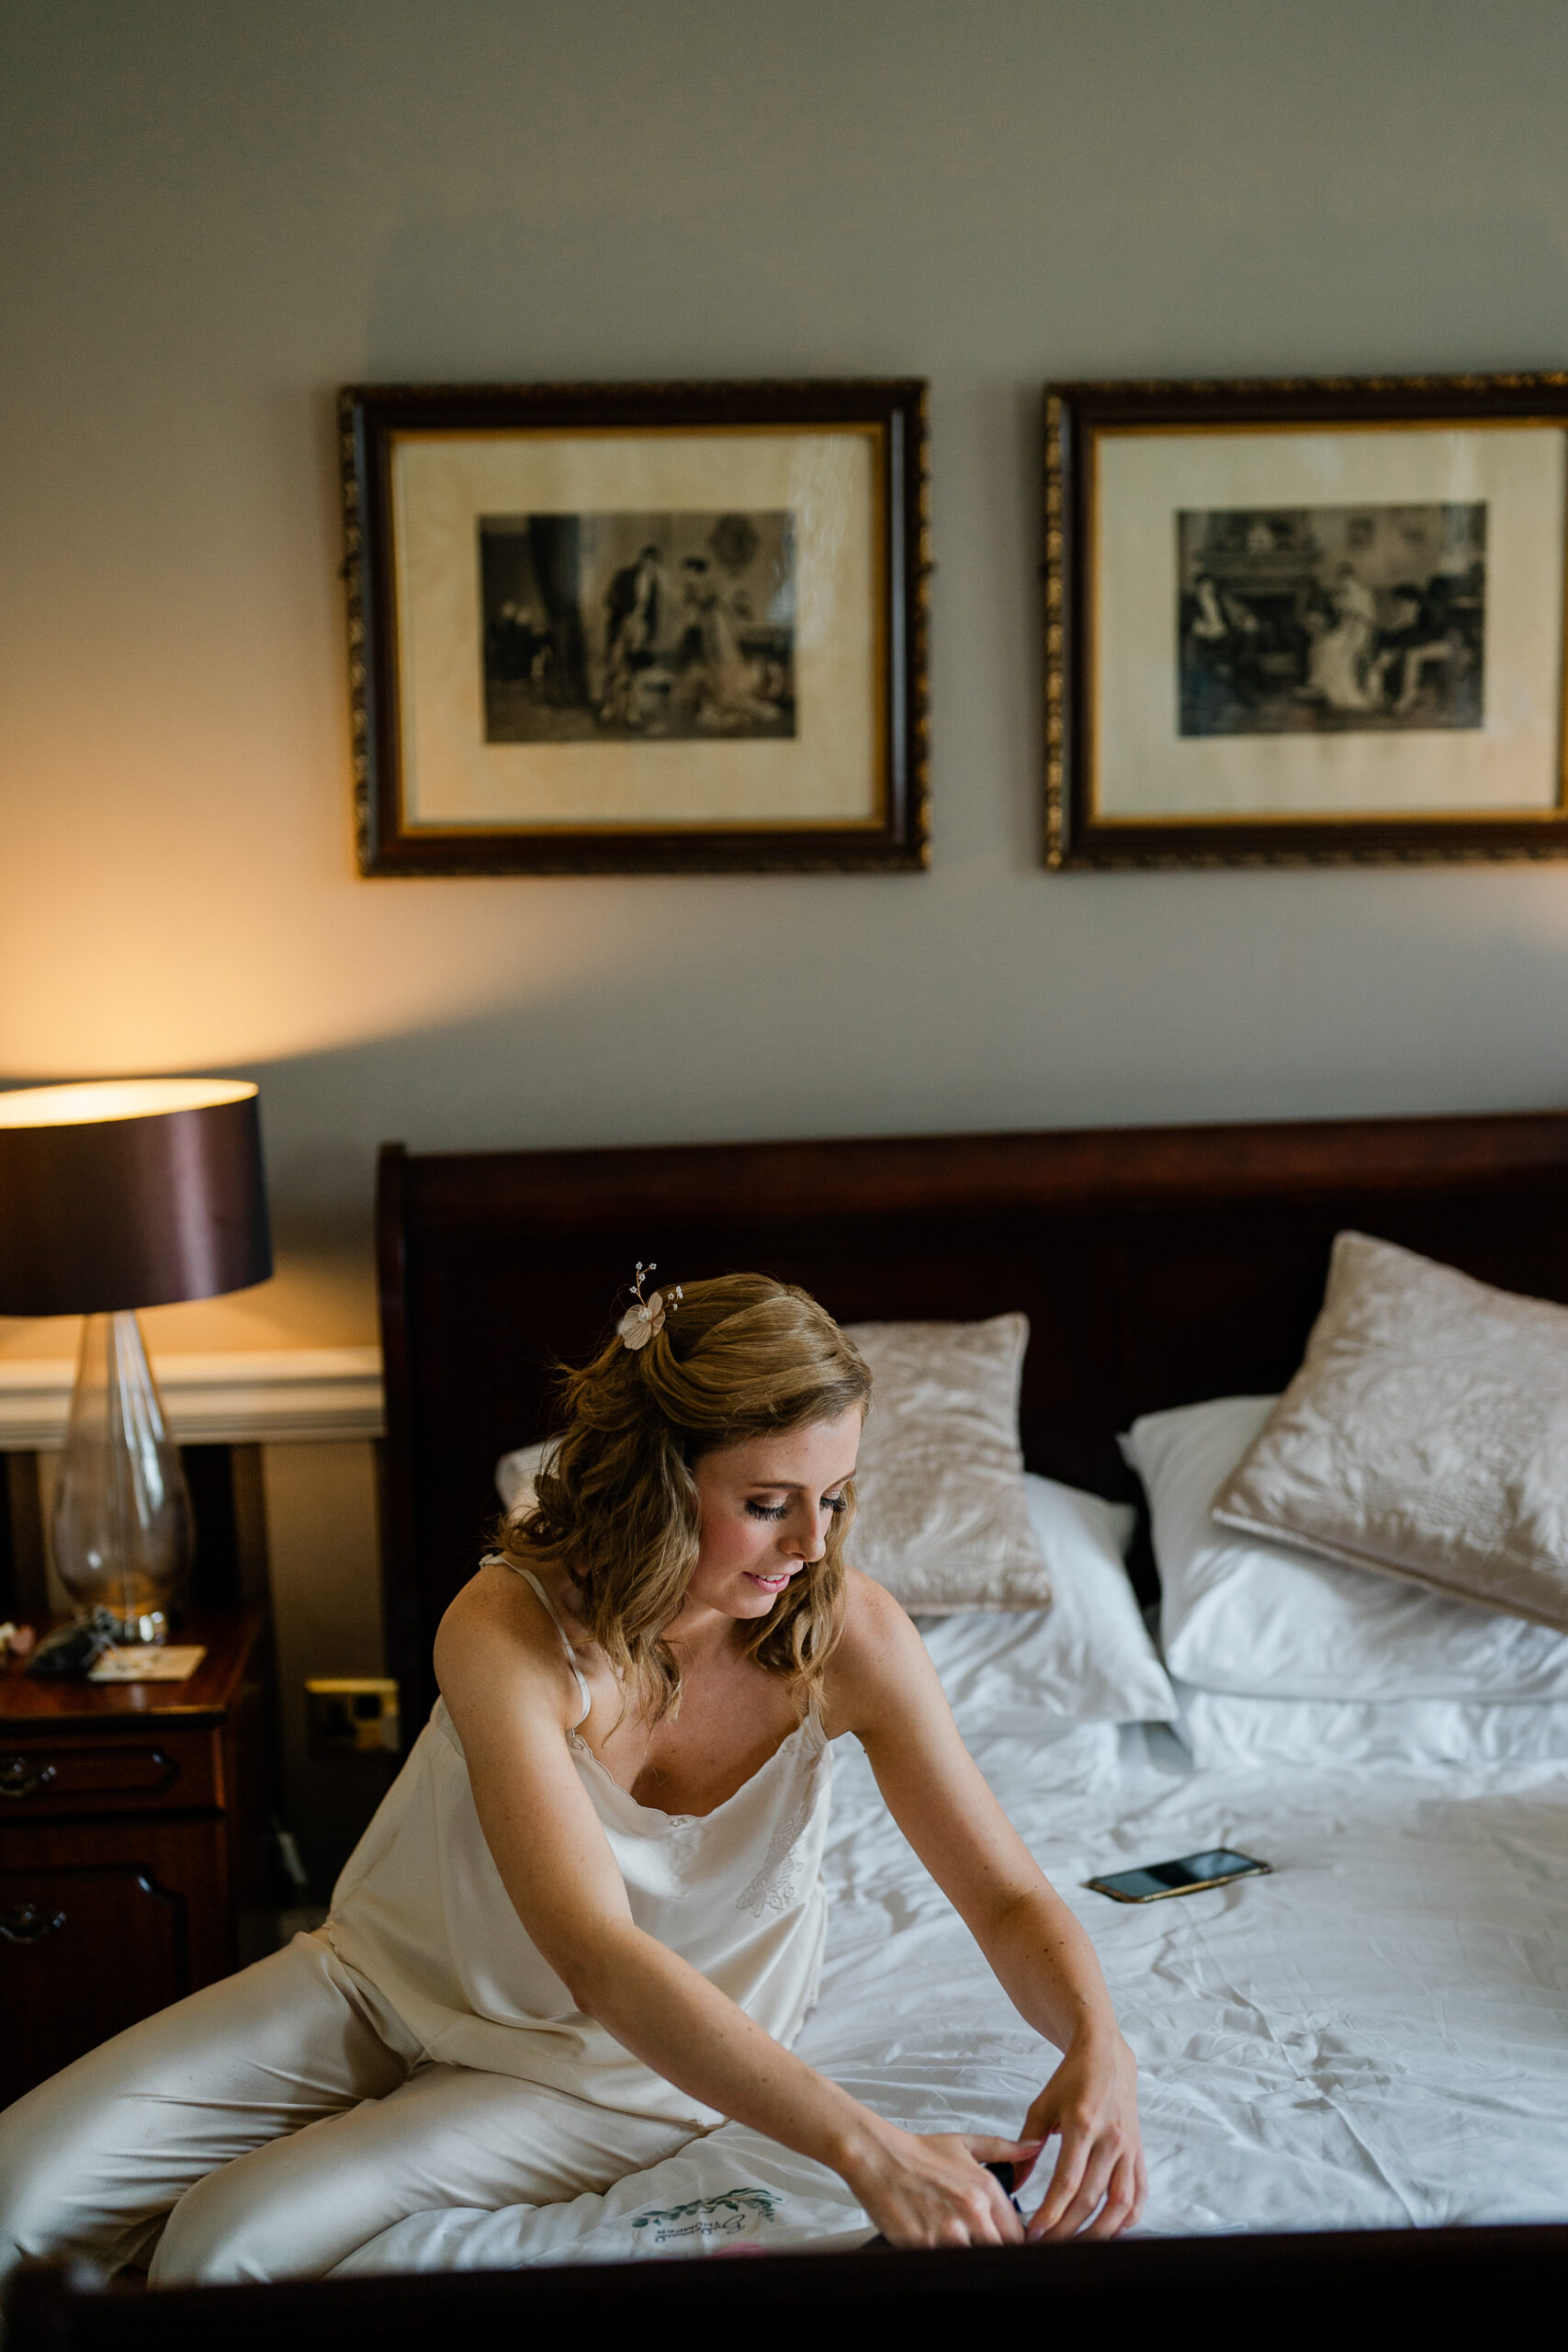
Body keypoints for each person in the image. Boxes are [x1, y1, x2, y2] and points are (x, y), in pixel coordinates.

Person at [0, 1272, 1144, 2282]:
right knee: (13, 2191)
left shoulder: (851, 1636)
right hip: (382, 1980)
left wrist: (1100, 2044)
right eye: (767, 1502)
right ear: (658, 1479)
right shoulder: (506, 1625)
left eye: (834, 1497)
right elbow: (593, 1947)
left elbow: (1002, 1896)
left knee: (221, 2243)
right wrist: (869, 2147)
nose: (813, 1545)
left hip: (616, 2070)